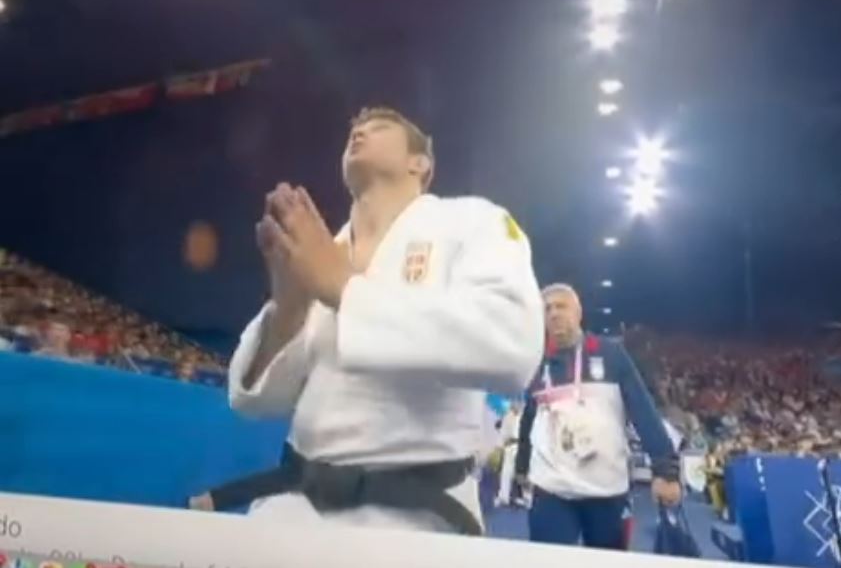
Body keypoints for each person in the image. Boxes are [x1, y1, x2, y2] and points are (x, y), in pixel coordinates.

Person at [227, 106, 544, 534]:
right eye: (354, 130)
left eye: (379, 127)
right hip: (295, 509)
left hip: (413, 519)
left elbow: (514, 346)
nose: (359, 132)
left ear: (421, 164)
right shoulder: (324, 248)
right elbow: (259, 401)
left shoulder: (472, 221)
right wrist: (289, 303)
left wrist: (343, 288)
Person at [514, 283, 682, 549]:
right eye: (547, 309)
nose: (554, 313)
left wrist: (666, 470)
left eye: (562, 306)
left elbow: (643, 411)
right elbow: (529, 419)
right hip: (551, 489)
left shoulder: (611, 354)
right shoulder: (536, 363)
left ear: (578, 312)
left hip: (606, 490)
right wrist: (521, 467)